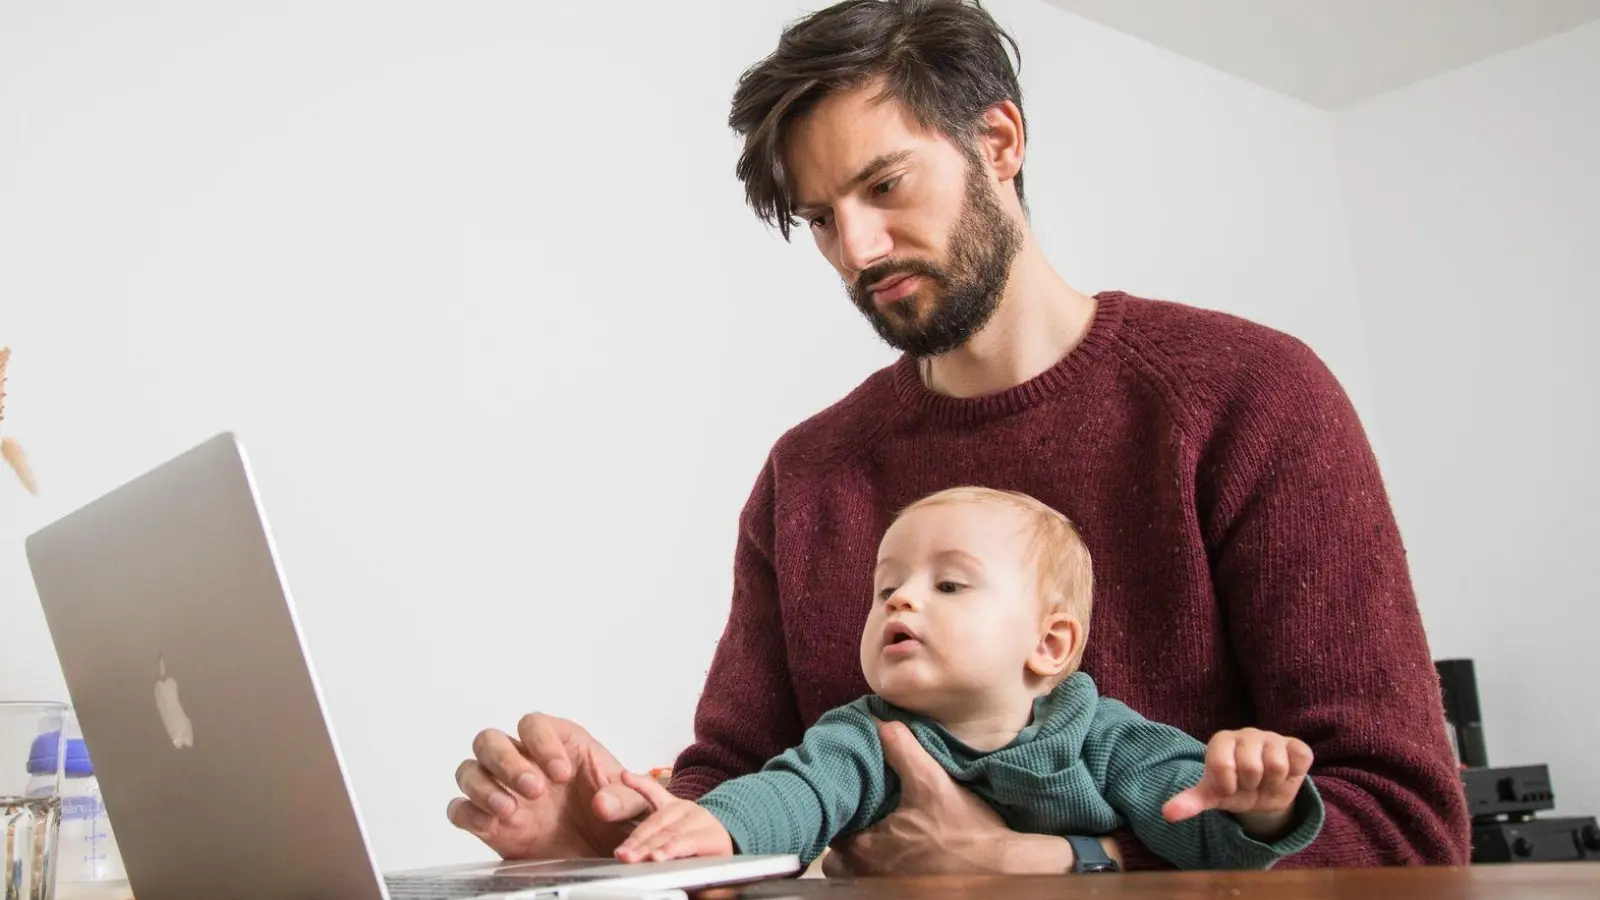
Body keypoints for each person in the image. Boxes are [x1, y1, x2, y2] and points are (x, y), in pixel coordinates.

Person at [447, 0, 1470, 872]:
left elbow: (1404, 829)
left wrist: (1058, 866)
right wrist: (623, 847)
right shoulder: (806, 475)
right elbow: (744, 786)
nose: (857, 249)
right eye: (820, 218)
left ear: (999, 142)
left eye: (884, 187)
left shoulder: (1247, 396)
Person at [608, 486, 1326, 871]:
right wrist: (721, 824)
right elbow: (799, 794)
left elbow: (1196, 832)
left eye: (949, 586)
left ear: (1049, 644)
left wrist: (1257, 804)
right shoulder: (867, 736)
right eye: (886, 588)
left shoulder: (1102, 735)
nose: (902, 599)